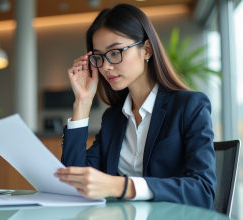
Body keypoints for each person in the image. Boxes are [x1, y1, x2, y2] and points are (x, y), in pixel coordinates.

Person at [53, 3, 216, 209]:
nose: (105, 66)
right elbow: (74, 183)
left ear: (146, 50)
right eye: (99, 57)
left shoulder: (189, 106)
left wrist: (123, 186)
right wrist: (82, 103)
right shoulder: (113, 118)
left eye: (115, 52)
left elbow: (203, 191)